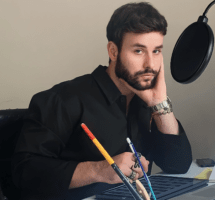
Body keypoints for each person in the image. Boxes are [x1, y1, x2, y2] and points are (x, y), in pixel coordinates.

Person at [11, 2, 192, 199]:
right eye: (139, 51)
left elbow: (178, 165)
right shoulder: (64, 99)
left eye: (156, 51)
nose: (150, 64)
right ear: (113, 52)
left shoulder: (146, 102)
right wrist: (99, 170)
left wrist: (159, 102)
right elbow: (24, 173)